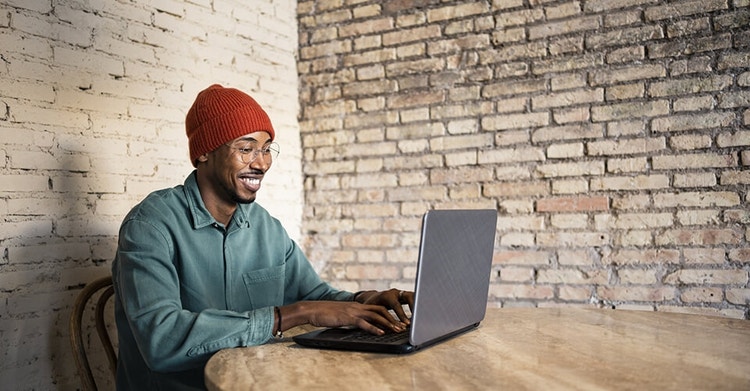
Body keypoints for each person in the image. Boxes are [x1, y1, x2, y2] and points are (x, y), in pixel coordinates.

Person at [112, 84, 414, 390]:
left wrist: (365, 301)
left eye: (266, 148)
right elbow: (161, 341)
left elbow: (314, 295)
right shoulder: (149, 225)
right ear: (203, 152)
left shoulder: (266, 227)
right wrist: (289, 316)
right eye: (246, 149)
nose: (261, 163)